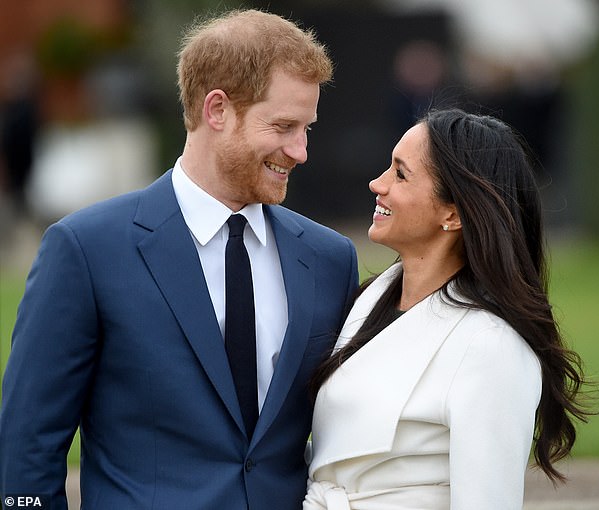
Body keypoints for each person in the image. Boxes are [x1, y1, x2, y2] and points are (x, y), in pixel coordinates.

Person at [0, 9, 358, 510]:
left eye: (307, 128)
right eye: (283, 126)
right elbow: (26, 451)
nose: (300, 151)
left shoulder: (329, 258)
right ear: (217, 110)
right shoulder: (86, 250)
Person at [303, 108, 591, 509]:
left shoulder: (491, 348)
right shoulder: (368, 300)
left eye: (400, 174)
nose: (377, 183)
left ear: (452, 214)